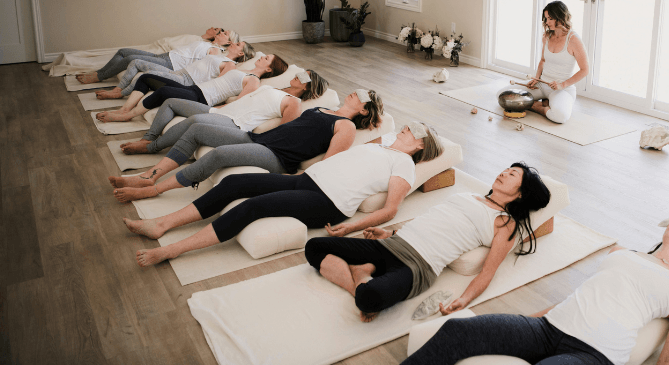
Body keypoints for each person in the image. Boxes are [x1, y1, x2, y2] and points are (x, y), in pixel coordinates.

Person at [395, 214, 669, 365]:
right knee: (456, 329)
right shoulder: (621, 252)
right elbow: (586, 294)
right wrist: (521, 324)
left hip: (594, 354)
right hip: (547, 329)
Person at [122, 123, 442, 268]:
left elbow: (389, 211)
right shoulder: (383, 146)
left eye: (414, 130)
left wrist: (351, 227)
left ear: (419, 146)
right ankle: (162, 224)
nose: (407, 128)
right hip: (308, 180)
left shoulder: (404, 164)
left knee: (254, 206)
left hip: (327, 203)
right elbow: (348, 158)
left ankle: (173, 250)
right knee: (235, 185)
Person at [305, 162, 551, 322]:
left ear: (521, 193)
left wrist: (464, 300)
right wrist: (389, 234)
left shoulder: (505, 223)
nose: (503, 173)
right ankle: (359, 276)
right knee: (314, 246)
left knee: (369, 298)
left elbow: (489, 271)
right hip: (392, 244)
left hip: (418, 267)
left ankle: (362, 274)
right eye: (506, 169)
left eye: (512, 174)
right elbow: (430, 220)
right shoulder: (468, 195)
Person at [109, 89, 384, 202]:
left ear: (364, 110)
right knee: (198, 128)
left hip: (277, 156)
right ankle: (151, 173)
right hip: (259, 138)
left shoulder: (346, 127)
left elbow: (331, 161)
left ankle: (153, 189)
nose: (356, 93)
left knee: (220, 154)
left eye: (363, 97)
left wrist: (300, 178)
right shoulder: (325, 108)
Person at [117, 68, 329, 156]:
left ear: (308, 87)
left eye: (305, 76)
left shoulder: (294, 103)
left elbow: (284, 130)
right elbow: (247, 98)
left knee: (195, 120)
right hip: (222, 111)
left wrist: (257, 140)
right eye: (301, 72)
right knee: (171, 101)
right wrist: (221, 107)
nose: (299, 75)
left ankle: (151, 147)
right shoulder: (277, 88)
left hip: (235, 123)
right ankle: (149, 137)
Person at [95, 53, 288, 124]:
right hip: (195, 88)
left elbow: (241, 101)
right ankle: (125, 108)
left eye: (267, 58)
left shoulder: (254, 80)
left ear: (269, 68)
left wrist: (217, 110)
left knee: (163, 92)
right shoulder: (243, 69)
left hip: (202, 98)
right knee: (146, 77)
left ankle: (127, 116)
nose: (262, 56)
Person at [94, 38, 254, 100]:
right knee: (136, 62)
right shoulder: (219, 54)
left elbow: (219, 83)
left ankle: (119, 94)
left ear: (240, 53)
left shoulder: (230, 64)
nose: (234, 42)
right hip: (178, 73)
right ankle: (118, 89)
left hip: (185, 80)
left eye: (238, 44)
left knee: (147, 74)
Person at [76, 27, 236, 84]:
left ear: (228, 43)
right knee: (123, 51)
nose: (221, 32)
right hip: (166, 56)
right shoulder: (207, 43)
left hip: (171, 65)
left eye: (225, 33)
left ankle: (99, 76)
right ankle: (101, 72)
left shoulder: (216, 52)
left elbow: (206, 67)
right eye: (221, 31)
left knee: (131, 59)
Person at [524, 1, 589, 124]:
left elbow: (585, 70)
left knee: (560, 117)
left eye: (551, 18)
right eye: (546, 18)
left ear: (561, 17)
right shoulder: (547, 36)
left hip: (562, 90)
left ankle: (539, 107)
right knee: (505, 95)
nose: (547, 22)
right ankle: (544, 102)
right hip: (542, 84)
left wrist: (563, 85)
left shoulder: (573, 39)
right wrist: (536, 78)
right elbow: (543, 61)